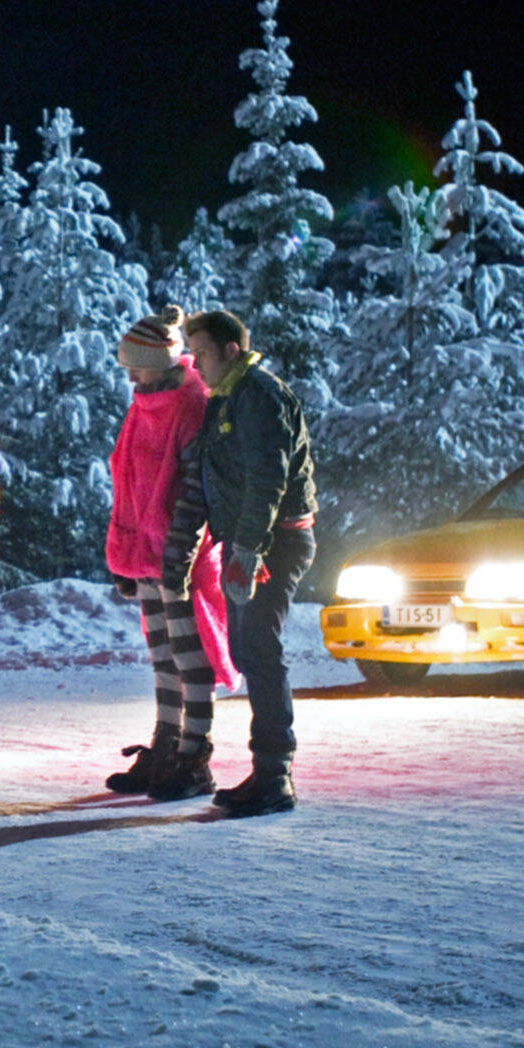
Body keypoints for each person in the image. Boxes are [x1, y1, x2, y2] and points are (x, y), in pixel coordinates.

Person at [160, 310, 316, 817]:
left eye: (202, 352)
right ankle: (268, 770)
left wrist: (248, 550)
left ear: (231, 350)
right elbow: (215, 480)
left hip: (275, 542)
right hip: (249, 542)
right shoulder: (227, 398)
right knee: (247, 651)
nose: (196, 363)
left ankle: (275, 775)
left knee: (260, 650)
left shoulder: (258, 395)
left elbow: (267, 477)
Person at [102, 305, 239, 801]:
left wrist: (178, 555)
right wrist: (125, 554)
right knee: (163, 655)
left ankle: (193, 757)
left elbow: (195, 491)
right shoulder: (143, 405)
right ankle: (166, 748)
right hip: (148, 554)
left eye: (136, 366)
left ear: (160, 362)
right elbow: (125, 481)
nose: (129, 376)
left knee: (189, 655)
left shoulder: (189, 406)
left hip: (180, 555)